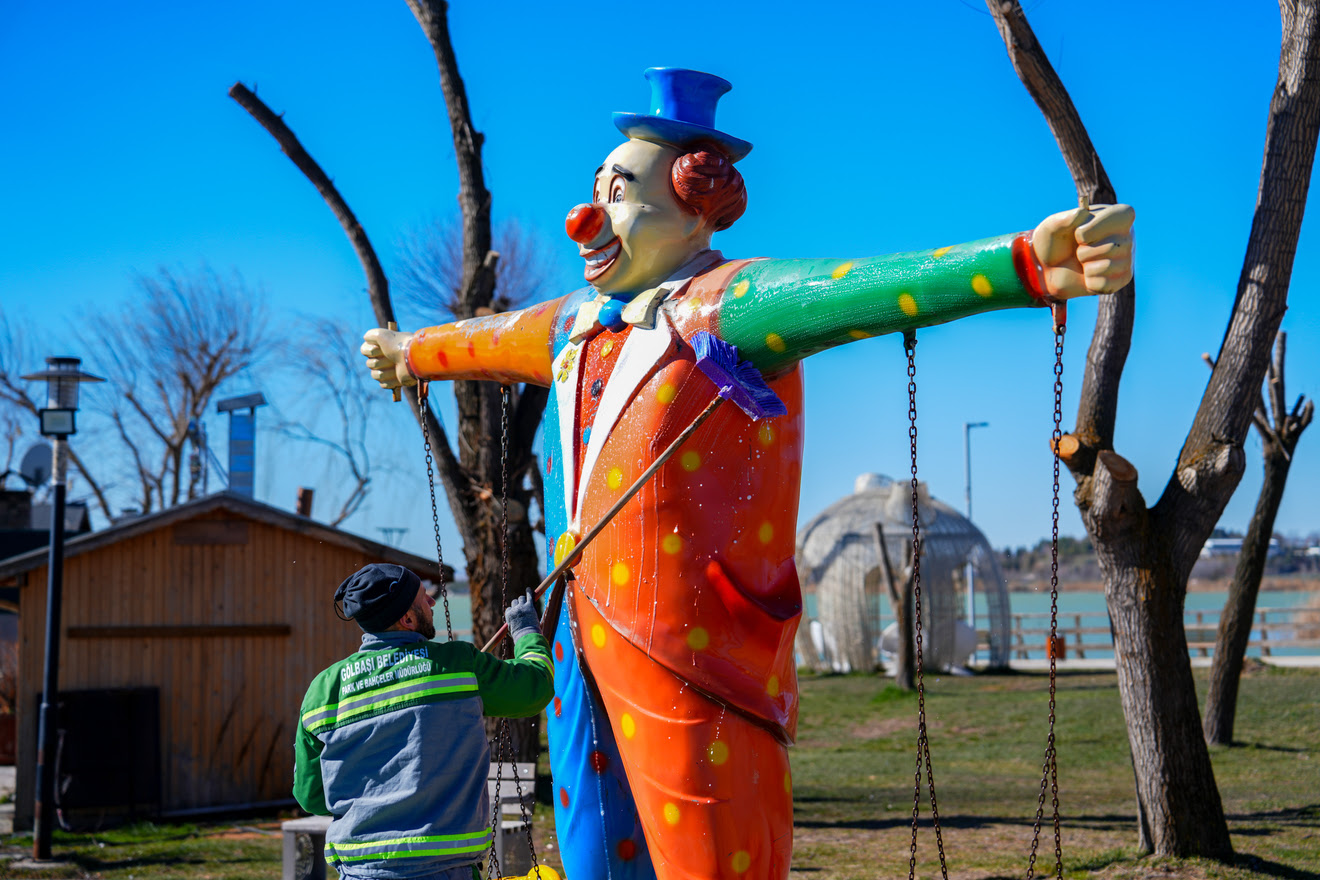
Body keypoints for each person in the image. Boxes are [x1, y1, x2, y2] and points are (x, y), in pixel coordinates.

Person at [360, 67, 1134, 880]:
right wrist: (409, 352)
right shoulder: (573, 329)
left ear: (694, 204)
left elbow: (870, 288)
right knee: (591, 851)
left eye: (619, 193)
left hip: (694, 654)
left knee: (709, 859)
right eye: (595, 188)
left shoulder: (731, 301)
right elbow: (485, 337)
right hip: (574, 648)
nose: (586, 216)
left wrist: (1020, 264)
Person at [294, 563, 553, 879]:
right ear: (407, 619)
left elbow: (311, 797)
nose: (432, 602)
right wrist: (526, 629)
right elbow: (534, 690)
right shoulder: (456, 666)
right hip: (444, 870)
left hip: (359, 871)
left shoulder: (322, 691)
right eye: (423, 597)